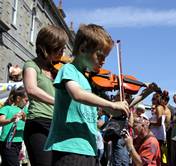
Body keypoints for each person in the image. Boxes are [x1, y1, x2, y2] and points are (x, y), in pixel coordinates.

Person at [44, 24, 129, 166]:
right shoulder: (68, 69)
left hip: (88, 148)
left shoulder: (86, 79)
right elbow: (76, 94)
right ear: (83, 49)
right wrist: (111, 104)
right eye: (100, 55)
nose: (104, 61)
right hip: (69, 146)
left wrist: (113, 109)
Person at [23, 25, 69, 166]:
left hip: (59, 125)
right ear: (46, 47)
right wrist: (57, 101)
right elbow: (31, 89)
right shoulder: (31, 65)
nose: (62, 52)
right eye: (58, 49)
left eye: (63, 48)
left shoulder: (59, 69)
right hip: (39, 122)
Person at [0, 86, 28, 166]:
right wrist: (11, 120)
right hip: (7, 142)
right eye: (26, 100)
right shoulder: (7, 108)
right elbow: (1, 121)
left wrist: (24, 118)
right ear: (18, 98)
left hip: (18, 142)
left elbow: (29, 122)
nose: (27, 102)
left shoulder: (25, 110)